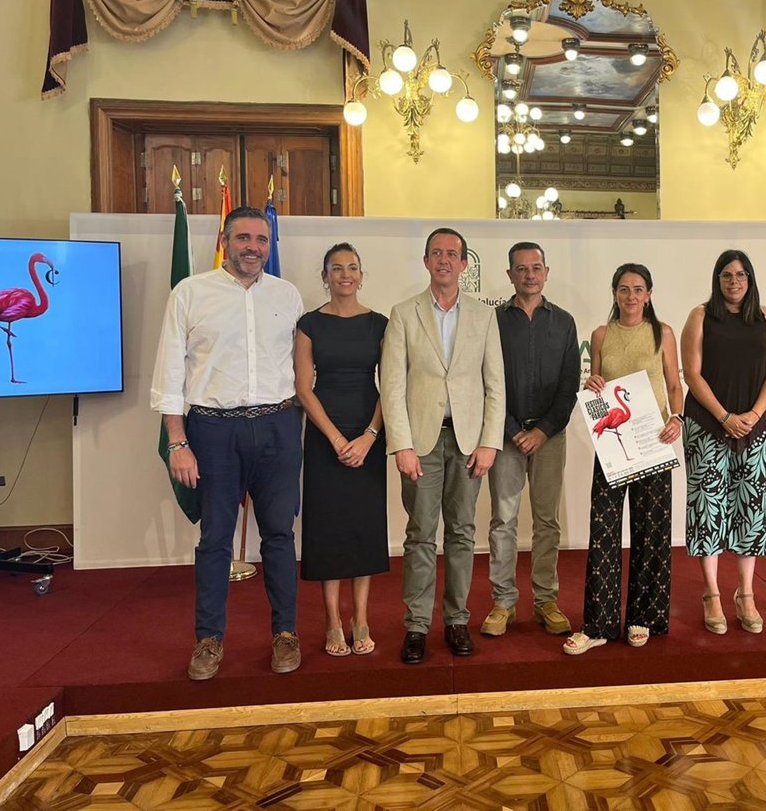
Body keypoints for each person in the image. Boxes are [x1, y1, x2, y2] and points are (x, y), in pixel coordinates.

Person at [151, 207, 305, 680]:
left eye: (261, 239)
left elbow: (301, 367)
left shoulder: (287, 295)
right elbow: (170, 371)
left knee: (279, 536)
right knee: (215, 539)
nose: (253, 247)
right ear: (225, 240)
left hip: (278, 426)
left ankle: (285, 634)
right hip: (213, 432)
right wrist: (177, 442)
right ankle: (209, 640)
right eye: (243, 238)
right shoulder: (190, 292)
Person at [380, 228, 505, 665]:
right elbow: (392, 385)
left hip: (469, 443)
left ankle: (456, 621)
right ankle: (417, 626)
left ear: (464, 263)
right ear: (426, 261)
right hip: (421, 443)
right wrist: (401, 444)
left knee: (462, 532)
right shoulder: (403, 314)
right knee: (420, 534)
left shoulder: (484, 316)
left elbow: (495, 385)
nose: (444, 260)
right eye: (437, 253)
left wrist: (489, 442)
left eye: (452, 254)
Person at [564, 263, 684, 655]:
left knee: (651, 532)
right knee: (604, 530)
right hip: (613, 448)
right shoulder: (601, 334)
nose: (631, 296)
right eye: (623, 289)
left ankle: (642, 617)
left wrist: (677, 418)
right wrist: (591, 384)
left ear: (649, 294)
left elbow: (674, 385)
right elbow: (596, 388)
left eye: (638, 289)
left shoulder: (663, 333)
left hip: (652, 443)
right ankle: (598, 624)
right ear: (614, 293)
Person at [681, 250, 766, 635]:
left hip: (756, 427)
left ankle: (746, 593)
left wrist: (753, 415)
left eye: (741, 275)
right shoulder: (700, 316)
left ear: (750, 279)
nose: (734, 281)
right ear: (717, 279)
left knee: (750, 509)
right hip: (707, 424)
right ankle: (711, 593)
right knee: (707, 508)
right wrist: (724, 416)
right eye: (726, 275)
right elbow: (692, 373)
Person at [293, 243, 388, 658]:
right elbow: (303, 388)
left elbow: (391, 385)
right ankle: (333, 621)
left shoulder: (380, 324)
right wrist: (334, 438)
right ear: (325, 277)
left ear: (362, 276)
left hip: (369, 434)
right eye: (337, 268)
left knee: (363, 527)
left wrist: (369, 435)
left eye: (352, 267)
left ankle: (360, 619)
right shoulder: (309, 324)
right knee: (328, 527)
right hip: (323, 436)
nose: (345, 274)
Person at [484, 242, 580, 638]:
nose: (529, 275)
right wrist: (513, 430)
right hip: (504, 435)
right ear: (509, 274)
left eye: (536, 267)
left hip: (550, 437)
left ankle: (546, 601)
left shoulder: (564, 322)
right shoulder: (492, 321)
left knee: (547, 521)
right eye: (521, 268)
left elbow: (570, 385)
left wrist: (542, 431)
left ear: (546, 272)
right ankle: (503, 603)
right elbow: (487, 380)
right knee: (503, 520)